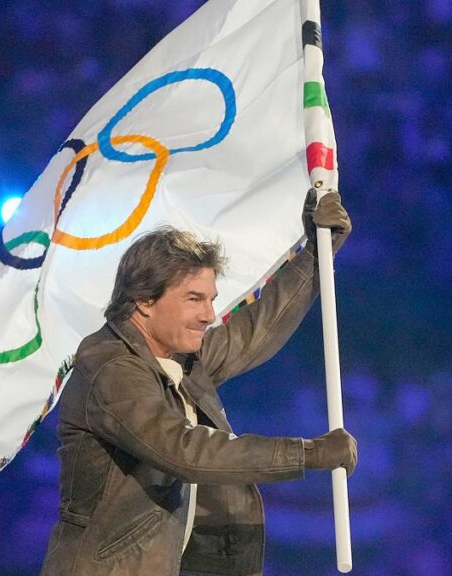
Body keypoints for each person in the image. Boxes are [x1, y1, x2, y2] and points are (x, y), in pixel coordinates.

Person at [40, 190, 358, 576]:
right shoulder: (110, 366)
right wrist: (308, 453)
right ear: (143, 300)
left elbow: (255, 330)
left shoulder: (178, 355)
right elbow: (185, 450)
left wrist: (316, 255)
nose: (209, 315)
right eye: (194, 299)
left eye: (211, 299)